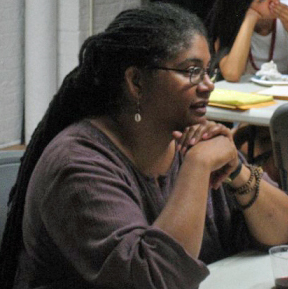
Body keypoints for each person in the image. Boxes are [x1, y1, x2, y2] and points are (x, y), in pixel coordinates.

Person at [1, 3, 288, 289]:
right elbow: (156, 279)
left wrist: (237, 170)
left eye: (208, 71)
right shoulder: (77, 165)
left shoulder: (194, 142)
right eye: (191, 71)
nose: (208, 85)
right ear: (136, 82)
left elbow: (281, 232)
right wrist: (197, 168)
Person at [207, 0, 288, 82]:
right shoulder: (230, 24)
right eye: (261, 1)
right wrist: (250, 17)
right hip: (246, 91)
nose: (275, 2)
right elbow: (232, 74)